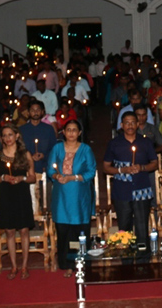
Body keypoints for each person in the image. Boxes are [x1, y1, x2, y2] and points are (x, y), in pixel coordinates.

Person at [47, 119, 96, 278]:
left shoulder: (86, 149)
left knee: (80, 232)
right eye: (68, 130)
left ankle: (81, 263)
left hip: (79, 197)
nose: (71, 133)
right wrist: (56, 175)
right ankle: (67, 265)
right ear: (64, 132)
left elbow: (91, 172)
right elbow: (49, 168)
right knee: (63, 232)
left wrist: (74, 177)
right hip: (61, 197)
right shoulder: (57, 148)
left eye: (75, 130)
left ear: (79, 133)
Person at [103, 112, 158, 249]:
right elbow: (106, 167)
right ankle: (126, 256)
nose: (130, 125)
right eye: (126, 123)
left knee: (141, 224)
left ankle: (143, 256)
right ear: (121, 125)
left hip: (142, 188)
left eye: (133, 122)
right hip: (122, 190)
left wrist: (142, 167)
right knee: (124, 225)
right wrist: (122, 170)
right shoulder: (114, 143)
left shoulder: (145, 142)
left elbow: (155, 163)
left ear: (138, 124)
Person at [0, 124, 35, 280]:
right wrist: (4, 178)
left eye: (10, 134)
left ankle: (24, 266)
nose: (7, 138)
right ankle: (13, 266)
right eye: (4, 135)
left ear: (17, 136)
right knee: (9, 231)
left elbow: (32, 177)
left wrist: (21, 178)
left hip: (21, 194)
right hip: (5, 195)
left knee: (24, 230)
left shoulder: (25, 154)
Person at [19, 101, 58, 174]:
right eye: (32, 110)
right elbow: (19, 148)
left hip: (44, 166)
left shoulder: (48, 129)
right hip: (26, 167)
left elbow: (53, 148)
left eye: (38, 110)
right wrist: (29, 156)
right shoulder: (22, 129)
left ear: (42, 112)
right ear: (28, 112)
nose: (35, 112)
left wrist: (44, 156)